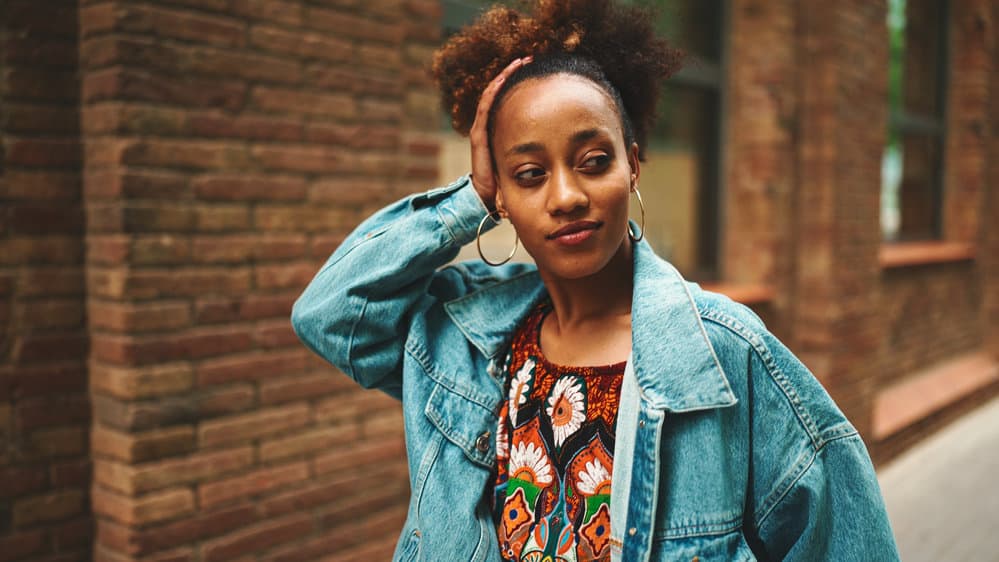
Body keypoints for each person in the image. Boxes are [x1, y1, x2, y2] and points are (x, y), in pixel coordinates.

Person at [291, 1, 900, 560]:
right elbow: (331, 314)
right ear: (499, 193)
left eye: (594, 162)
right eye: (529, 174)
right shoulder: (465, 343)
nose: (567, 196)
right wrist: (465, 202)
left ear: (632, 163)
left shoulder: (724, 353)